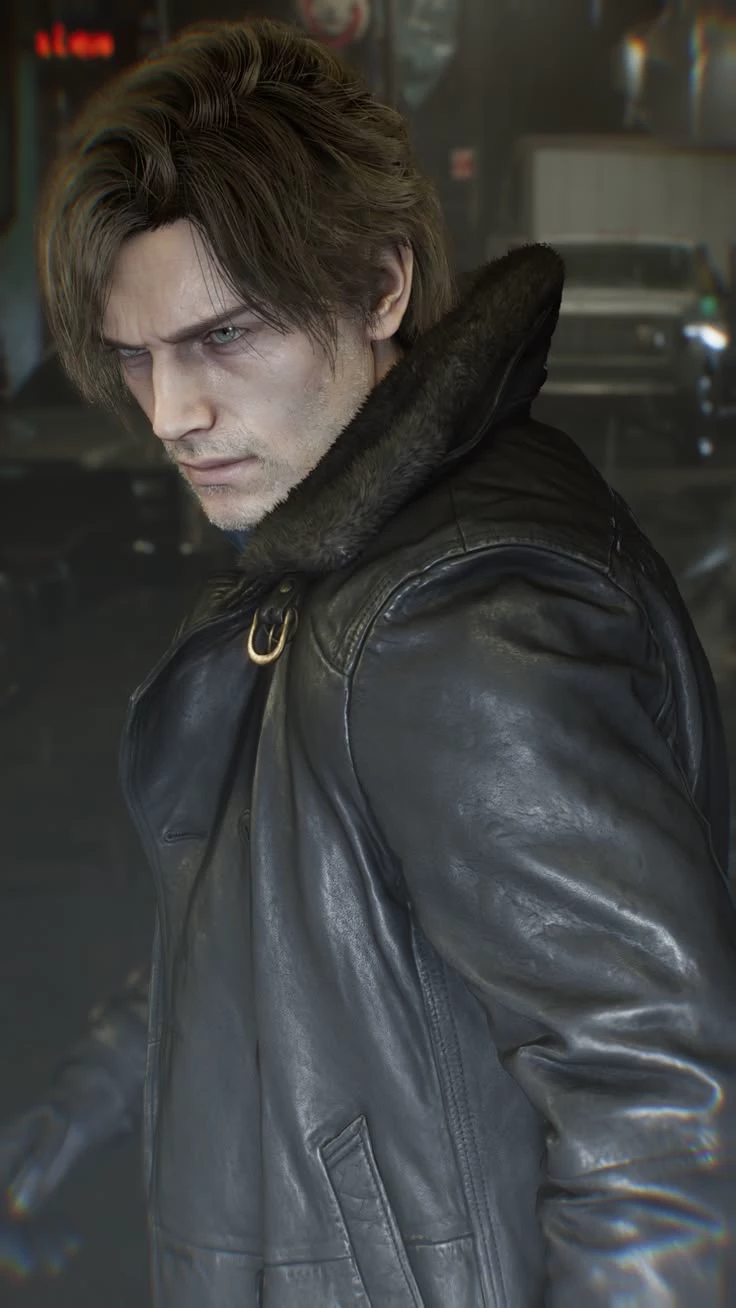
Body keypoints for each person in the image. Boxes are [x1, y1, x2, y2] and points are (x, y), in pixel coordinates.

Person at [24, 15, 736, 1306]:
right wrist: (86, 1104)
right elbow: (280, 923)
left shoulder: (448, 619)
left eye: (224, 337)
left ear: (381, 288)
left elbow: (666, 1116)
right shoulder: (336, 550)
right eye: (136, 356)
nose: (172, 413)